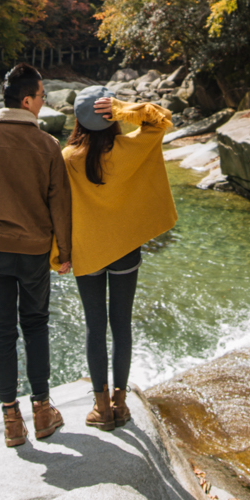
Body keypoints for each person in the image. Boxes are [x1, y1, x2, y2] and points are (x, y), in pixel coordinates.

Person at [0, 62, 73, 447]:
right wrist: (65, 252)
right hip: (35, 250)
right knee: (35, 324)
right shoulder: (47, 145)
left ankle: (11, 421)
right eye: (42, 96)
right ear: (26, 100)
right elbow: (60, 205)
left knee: (0, 332)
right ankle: (42, 412)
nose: (44, 102)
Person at [56, 85, 175, 430]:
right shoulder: (131, 148)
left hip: (87, 252)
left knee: (95, 327)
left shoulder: (67, 158)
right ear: (110, 117)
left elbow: (58, 211)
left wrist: (59, 255)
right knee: (121, 325)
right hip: (125, 251)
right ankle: (120, 404)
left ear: (77, 120)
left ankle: (100, 408)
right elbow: (160, 118)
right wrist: (124, 109)